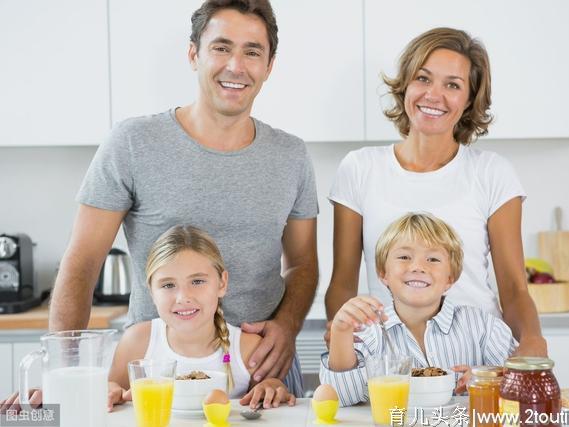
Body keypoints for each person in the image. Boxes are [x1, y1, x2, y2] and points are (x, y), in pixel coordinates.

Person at [49, 0, 318, 396]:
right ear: (194, 54)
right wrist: (65, 376)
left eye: (252, 52)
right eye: (221, 47)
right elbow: (82, 263)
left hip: (263, 375)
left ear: (269, 65)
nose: (236, 66)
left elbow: (303, 265)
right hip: (159, 375)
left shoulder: (291, 155)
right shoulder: (132, 143)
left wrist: (288, 325)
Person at [324, 27, 546, 356]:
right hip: (392, 358)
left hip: (476, 358)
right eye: (423, 79)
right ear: (405, 85)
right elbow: (343, 281)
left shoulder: (492, 173)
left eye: (452, 85)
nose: (433, 95)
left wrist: (532, 342)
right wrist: (343, 335)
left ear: (470, 99)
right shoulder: (359, 169)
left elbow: (513, 288)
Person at [1, 226, 296, 411]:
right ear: (150, 291)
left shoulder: (247, 347)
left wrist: (274, 389)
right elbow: (108, 394)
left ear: (222, 283)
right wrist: (109, 391)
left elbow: (277, 395)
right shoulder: (139, 342)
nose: (183, 297)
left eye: (197, 281)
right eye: (168, 285)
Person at [320, 213, 516, 406]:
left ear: (450, 278)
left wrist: (491, 378)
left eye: (433, 259)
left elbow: (523, 384)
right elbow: (342, 397)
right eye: (404, 256)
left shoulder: (483, 326)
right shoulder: (367, 332)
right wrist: (341, 331)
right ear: (383, 273)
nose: (417, 267)